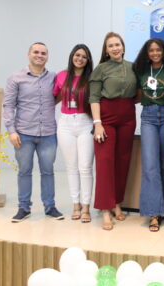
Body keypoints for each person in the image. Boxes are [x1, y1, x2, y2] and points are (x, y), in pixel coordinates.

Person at [3, 42, 64, 222]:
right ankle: (23, 208)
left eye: (43, 53)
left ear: (47, 56)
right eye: (36, 52)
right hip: (23, 134)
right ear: (28, 54)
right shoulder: (16, 78)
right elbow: (8, 106)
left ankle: (50, 207)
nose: (39, 55)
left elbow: (60, 94)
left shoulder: (53, 77)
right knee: (24, 171)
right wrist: (11, 131)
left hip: (48, 133)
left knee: (48, 171)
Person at [89, 32, 137, 231]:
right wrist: (98, 123)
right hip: (106, 119)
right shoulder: (100, 69)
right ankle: (105, 209)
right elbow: (93, 98)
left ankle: (117, 202)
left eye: (118, 44)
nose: (115, 48)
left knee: (122, 160)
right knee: (105, 162)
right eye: (111, 46)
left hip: (128, 117)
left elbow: (139, 93)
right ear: (106, 50)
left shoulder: (133, 67)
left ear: (123, 47)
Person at [133, 38, 164, 232]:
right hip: (149, 118)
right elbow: (135, 94)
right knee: (151, 166)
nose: (154, 53)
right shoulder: (141, 71)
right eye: (151, 50)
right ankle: (154, 213)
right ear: (147, 52)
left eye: (158, 50)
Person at [53, 44, 94, 223]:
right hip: (66, 124)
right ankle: (75, 204)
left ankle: (86, 207)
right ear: (72, 56)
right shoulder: (61, 76)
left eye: (84, 57)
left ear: (88, 60)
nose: (80, 59)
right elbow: (54, 98)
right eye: (77, 55)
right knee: (71, 167)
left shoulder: (91, 78)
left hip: (85, 122)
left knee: (85, 167)